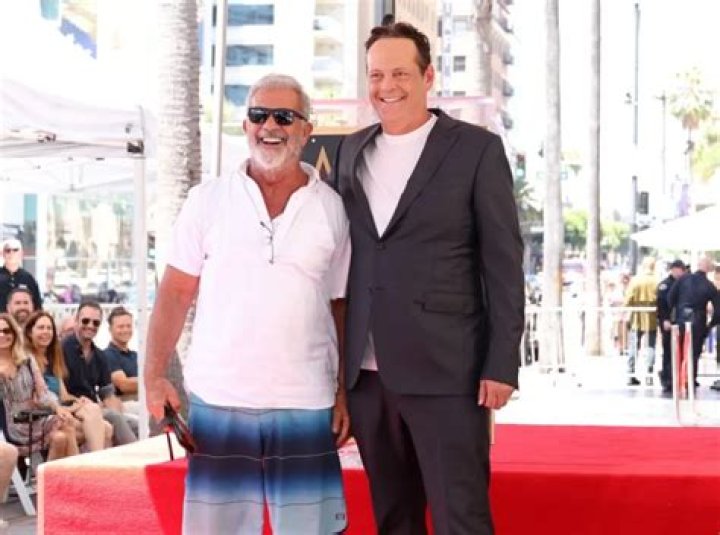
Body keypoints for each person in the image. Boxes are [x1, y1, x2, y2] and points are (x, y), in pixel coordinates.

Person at [332, 22, 524, 535]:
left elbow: (503, 264)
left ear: (428, 77)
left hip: (448, 371)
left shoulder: (476, 150)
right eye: (376, 75)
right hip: (368, 377)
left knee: (461, 518)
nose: (386, 86)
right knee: (394, 519)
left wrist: (502, 363)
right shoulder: (351, 151)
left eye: (400, 73)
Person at [144, 74, 351, 534]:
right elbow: (175, 292)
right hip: (218, 401)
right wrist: (154, 375)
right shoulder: (206, 200)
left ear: (306, 129)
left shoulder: (332, 208)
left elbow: (342, 305)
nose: (269, 126)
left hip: (306, 401)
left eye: (284, 117)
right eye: (259, 115)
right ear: (245, 125)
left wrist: (343, 393)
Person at [24, 311, 111, 451]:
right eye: (41, 328)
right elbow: (38, 400)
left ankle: (95, 461)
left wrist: (79, 401)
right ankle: (96, 460)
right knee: (103, 428)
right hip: (44, 414)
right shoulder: (26, 360)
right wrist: (70, 408)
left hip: (61, 409)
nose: (46, 332)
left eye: (49, 328)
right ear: (30, 332)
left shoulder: (53, 359)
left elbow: (64, 396)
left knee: (96, 413)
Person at [0, 313, 77, 461]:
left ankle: (61, 472)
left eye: (6, 331)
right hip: (13, 421)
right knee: (62, 427)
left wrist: (57, 408)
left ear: (14, 334)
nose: (2, 335)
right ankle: (78, 470)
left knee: (63, 430)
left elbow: (43, 392)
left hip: (34, 414)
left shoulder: (27, 360)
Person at [62, 301, 136, 446]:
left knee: (135, 423)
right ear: (76, 320)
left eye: (95, 323)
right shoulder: (62, 349)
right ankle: (136, 457)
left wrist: (118, 412)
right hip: (72, 407)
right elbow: (58, 390)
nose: (90, 325)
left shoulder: (99, 356)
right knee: (115, 419)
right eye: (85, 321)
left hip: (94, 408)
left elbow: (107, 394)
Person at [667, 256, 720, 388]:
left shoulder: (683, 279)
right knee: (694, 353)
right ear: (708, 269)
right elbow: (718, 310)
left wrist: (674, 314)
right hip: (698, 321)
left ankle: (676, 379)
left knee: (678, 349)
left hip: (681, 319)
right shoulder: (709, 286)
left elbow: (670, 297)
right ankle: (690, 380)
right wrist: (710, 325)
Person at [624, 257, 658, 386]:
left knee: (633, 346)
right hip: (652, 317)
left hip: (636, 317)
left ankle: (630, 374)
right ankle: (649, 375)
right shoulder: (656, 280)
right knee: (650, 347)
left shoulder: (636, 280)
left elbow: (628, 299)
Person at [657, 259, 686, 392]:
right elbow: (661, 304)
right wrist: (665, 319)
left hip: (681, 321)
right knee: (668, 350)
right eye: (679, 270)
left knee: (682, 349)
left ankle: (681, 378)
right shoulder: (665, 285)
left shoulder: (684, 283)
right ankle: (667, 379)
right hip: (669, 321)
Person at [0, 238, 42, 313]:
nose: (11, 253)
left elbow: (37, 305)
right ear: (2, 254)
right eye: (8, 250)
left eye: (15, 250)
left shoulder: (28, 278)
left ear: (21, 253)